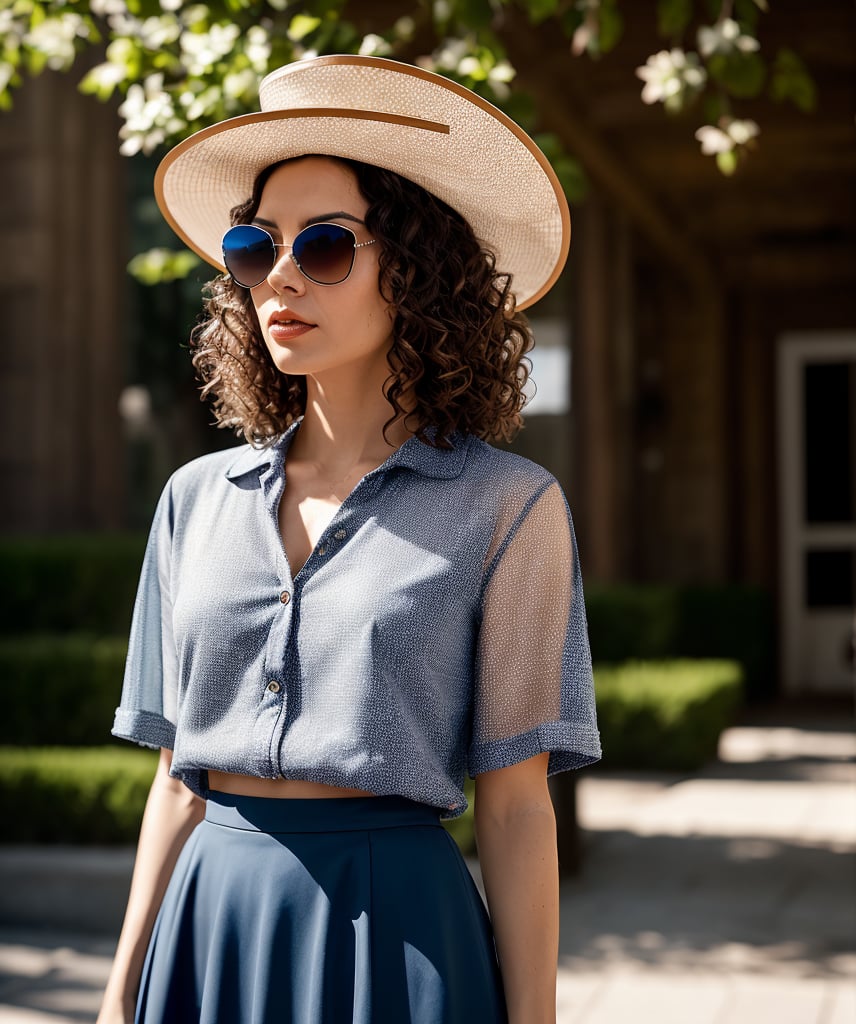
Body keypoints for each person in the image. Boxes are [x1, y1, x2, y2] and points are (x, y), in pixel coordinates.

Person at [98, 54, 601, 1024]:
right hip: (211, 929)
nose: (279, 276)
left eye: (324, 246)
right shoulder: (192, 500)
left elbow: (514, 805)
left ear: (414, 272)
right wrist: (121, 994)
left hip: (398, 936)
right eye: (255, 247)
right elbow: (175, 782)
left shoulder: (507, 505)